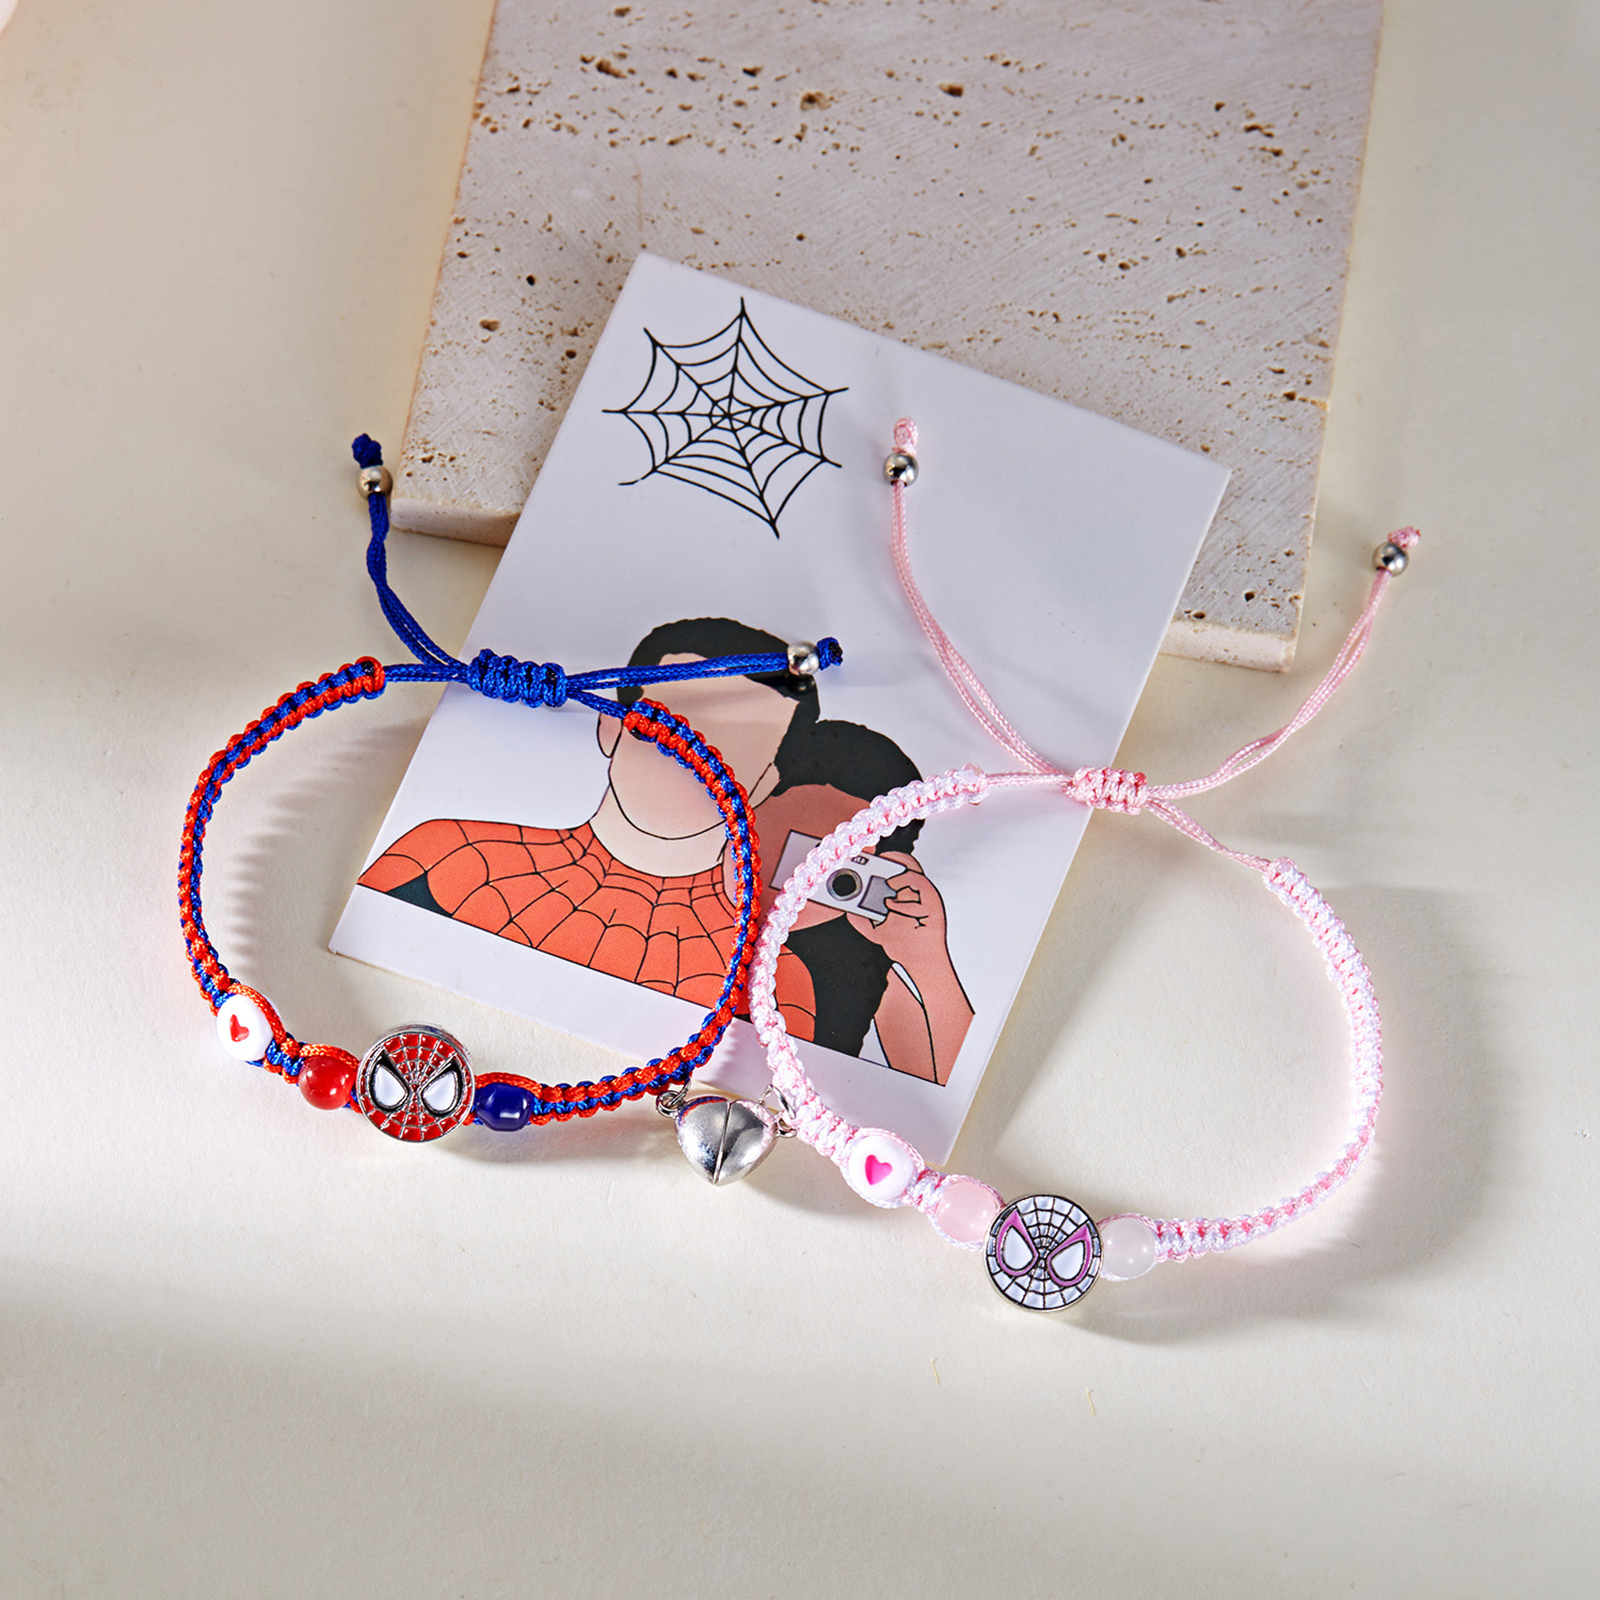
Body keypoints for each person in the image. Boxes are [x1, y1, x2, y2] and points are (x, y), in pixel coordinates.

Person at [357, 618, 818, 1030]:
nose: (685, 760)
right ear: (610, 727)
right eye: (664, 730)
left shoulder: (772, 979)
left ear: (763, 785)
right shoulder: (442, 855)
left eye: (731, 751)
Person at [743, 720, 974, 1085]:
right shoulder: (685, 879)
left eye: (843, 868)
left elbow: (949, 1081)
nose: (808, 874)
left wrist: (928, 960)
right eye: (804, 847)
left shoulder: (856, 964)